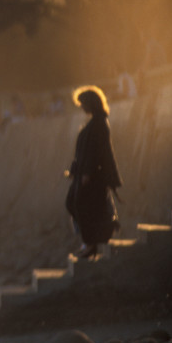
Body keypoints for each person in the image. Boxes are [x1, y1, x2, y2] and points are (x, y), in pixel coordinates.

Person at [65, 85, 123, 260]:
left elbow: (98, 152)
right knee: (74, 204)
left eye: (83, 103)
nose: (81, 107)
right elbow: (83, 151)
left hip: (93, 177)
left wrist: (87, 174)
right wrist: (74, 171)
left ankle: (92, 243)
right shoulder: (94, 122)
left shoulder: (100, 123)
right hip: (84, 174)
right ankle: (91, 242)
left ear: (91, 103)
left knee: (81, 206)